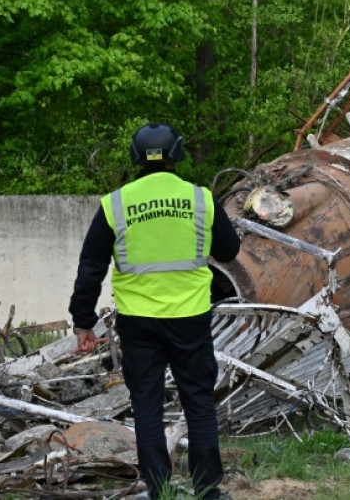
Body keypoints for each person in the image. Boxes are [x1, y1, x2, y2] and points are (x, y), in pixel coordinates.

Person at [69, 122, 240, 499]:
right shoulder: (201, 200)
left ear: (135, 158)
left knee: (146, 404)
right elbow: (229, 251)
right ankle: (208, 490)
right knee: (198, 401)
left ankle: (159, 490)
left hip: (138, 321)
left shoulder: (115, 204)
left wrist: (83, 321)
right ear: (178, 155)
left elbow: (90, 268)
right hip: (190, 318)